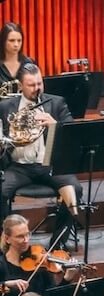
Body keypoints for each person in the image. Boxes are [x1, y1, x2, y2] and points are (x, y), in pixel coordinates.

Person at [0, 64, 81, 237]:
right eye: (31, 85)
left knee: (76, 188)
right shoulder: (6, 106)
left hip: (50, 166)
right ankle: (7, 240)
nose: (37, 88)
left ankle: (59, 240)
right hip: (18, 167)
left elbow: (73, 134)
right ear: (20, 85)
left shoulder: (56, 103)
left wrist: (55, 126)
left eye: (39, 83)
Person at [0, 22, 34, 91]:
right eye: (11, 40)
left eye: (19, 41)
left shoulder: (29, 64)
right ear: (3, 41)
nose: (16, 44)